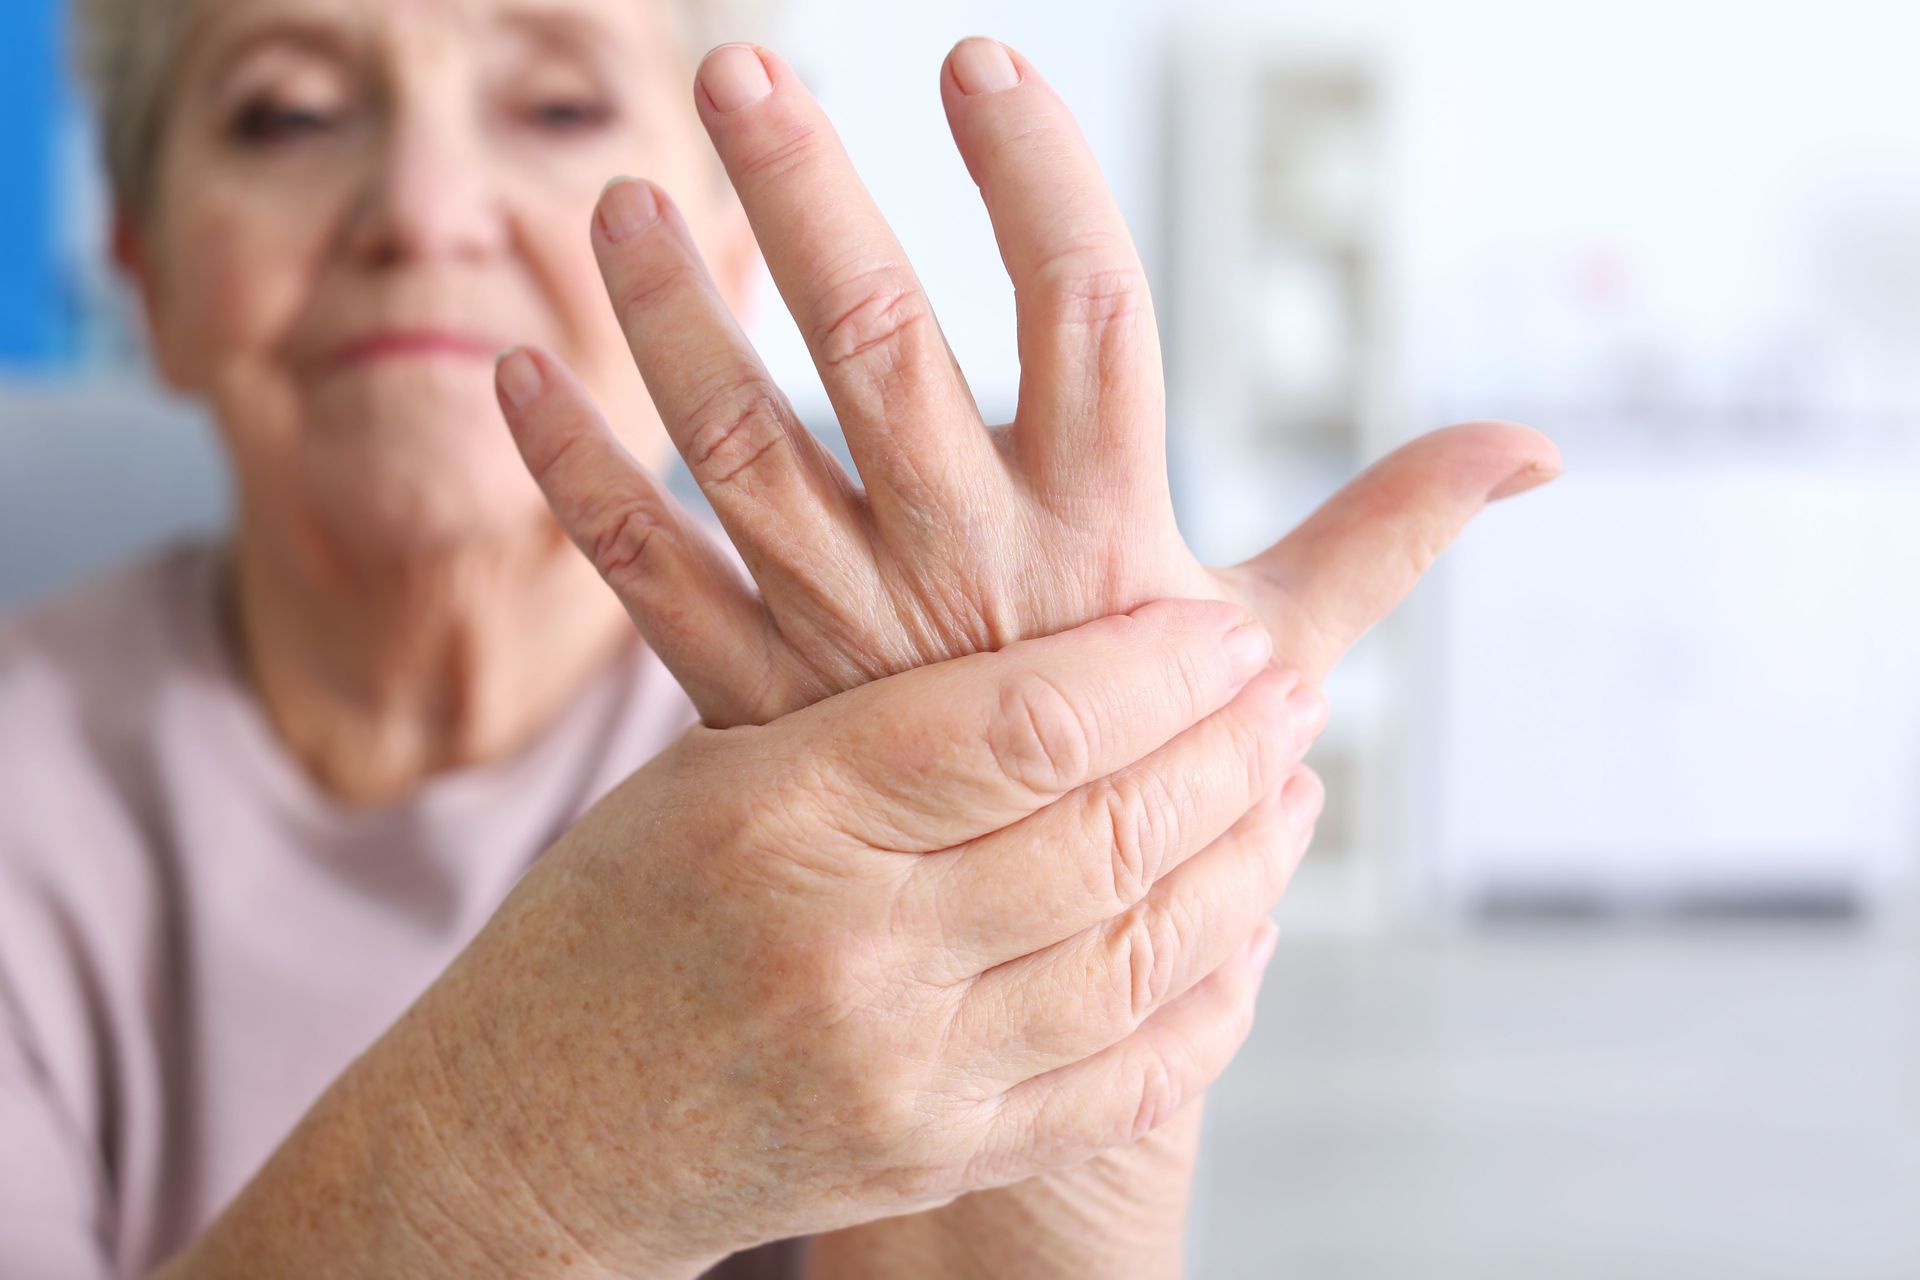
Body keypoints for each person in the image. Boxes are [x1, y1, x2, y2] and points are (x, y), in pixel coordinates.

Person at [0, 0, 1561, 1275]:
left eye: (551, 107)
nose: (422, 211)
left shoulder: (907, 736)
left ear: (727, 250)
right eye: (283, 113)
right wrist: (542, 1148)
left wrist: (1034, 1115)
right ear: (144, 266)